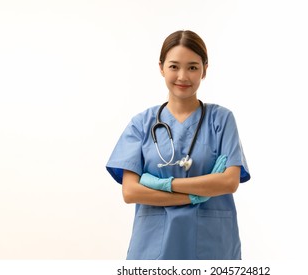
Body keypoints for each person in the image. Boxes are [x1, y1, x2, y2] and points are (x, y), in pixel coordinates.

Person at [106, 30, 250, 260]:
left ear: (205, 70)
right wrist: (197, 195)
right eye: (174, 66)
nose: (183, 76)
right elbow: (131, 191)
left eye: (192, 67)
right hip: (153, 248)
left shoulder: (221, 120)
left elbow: (229, 181)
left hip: (212, 247)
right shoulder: (142, 124)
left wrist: (159, 185)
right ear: (161, 67)